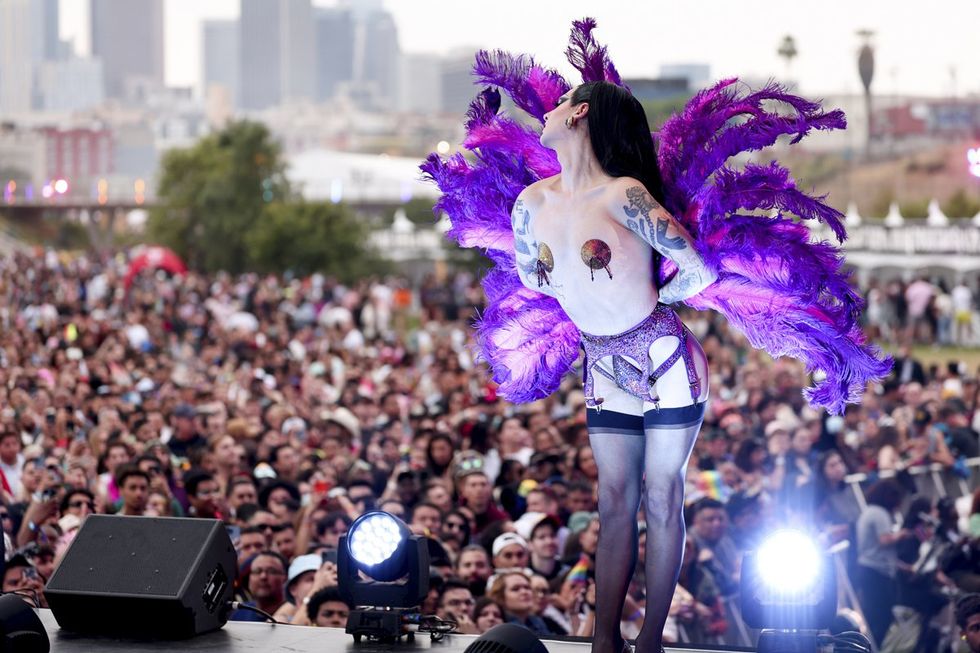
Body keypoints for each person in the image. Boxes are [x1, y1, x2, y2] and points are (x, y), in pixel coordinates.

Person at [423, 21, 888, 653]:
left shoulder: (625, 195)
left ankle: (649, 640)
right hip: (601, 363)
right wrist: (570, 286)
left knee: (662, 497)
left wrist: (655, 297)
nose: (547, 113)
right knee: (614, 502)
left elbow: (694, 266)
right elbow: (531, 273)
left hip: (664, 355)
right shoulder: (530, 203)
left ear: (579, 113)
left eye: (560, 104)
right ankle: (604, 639)